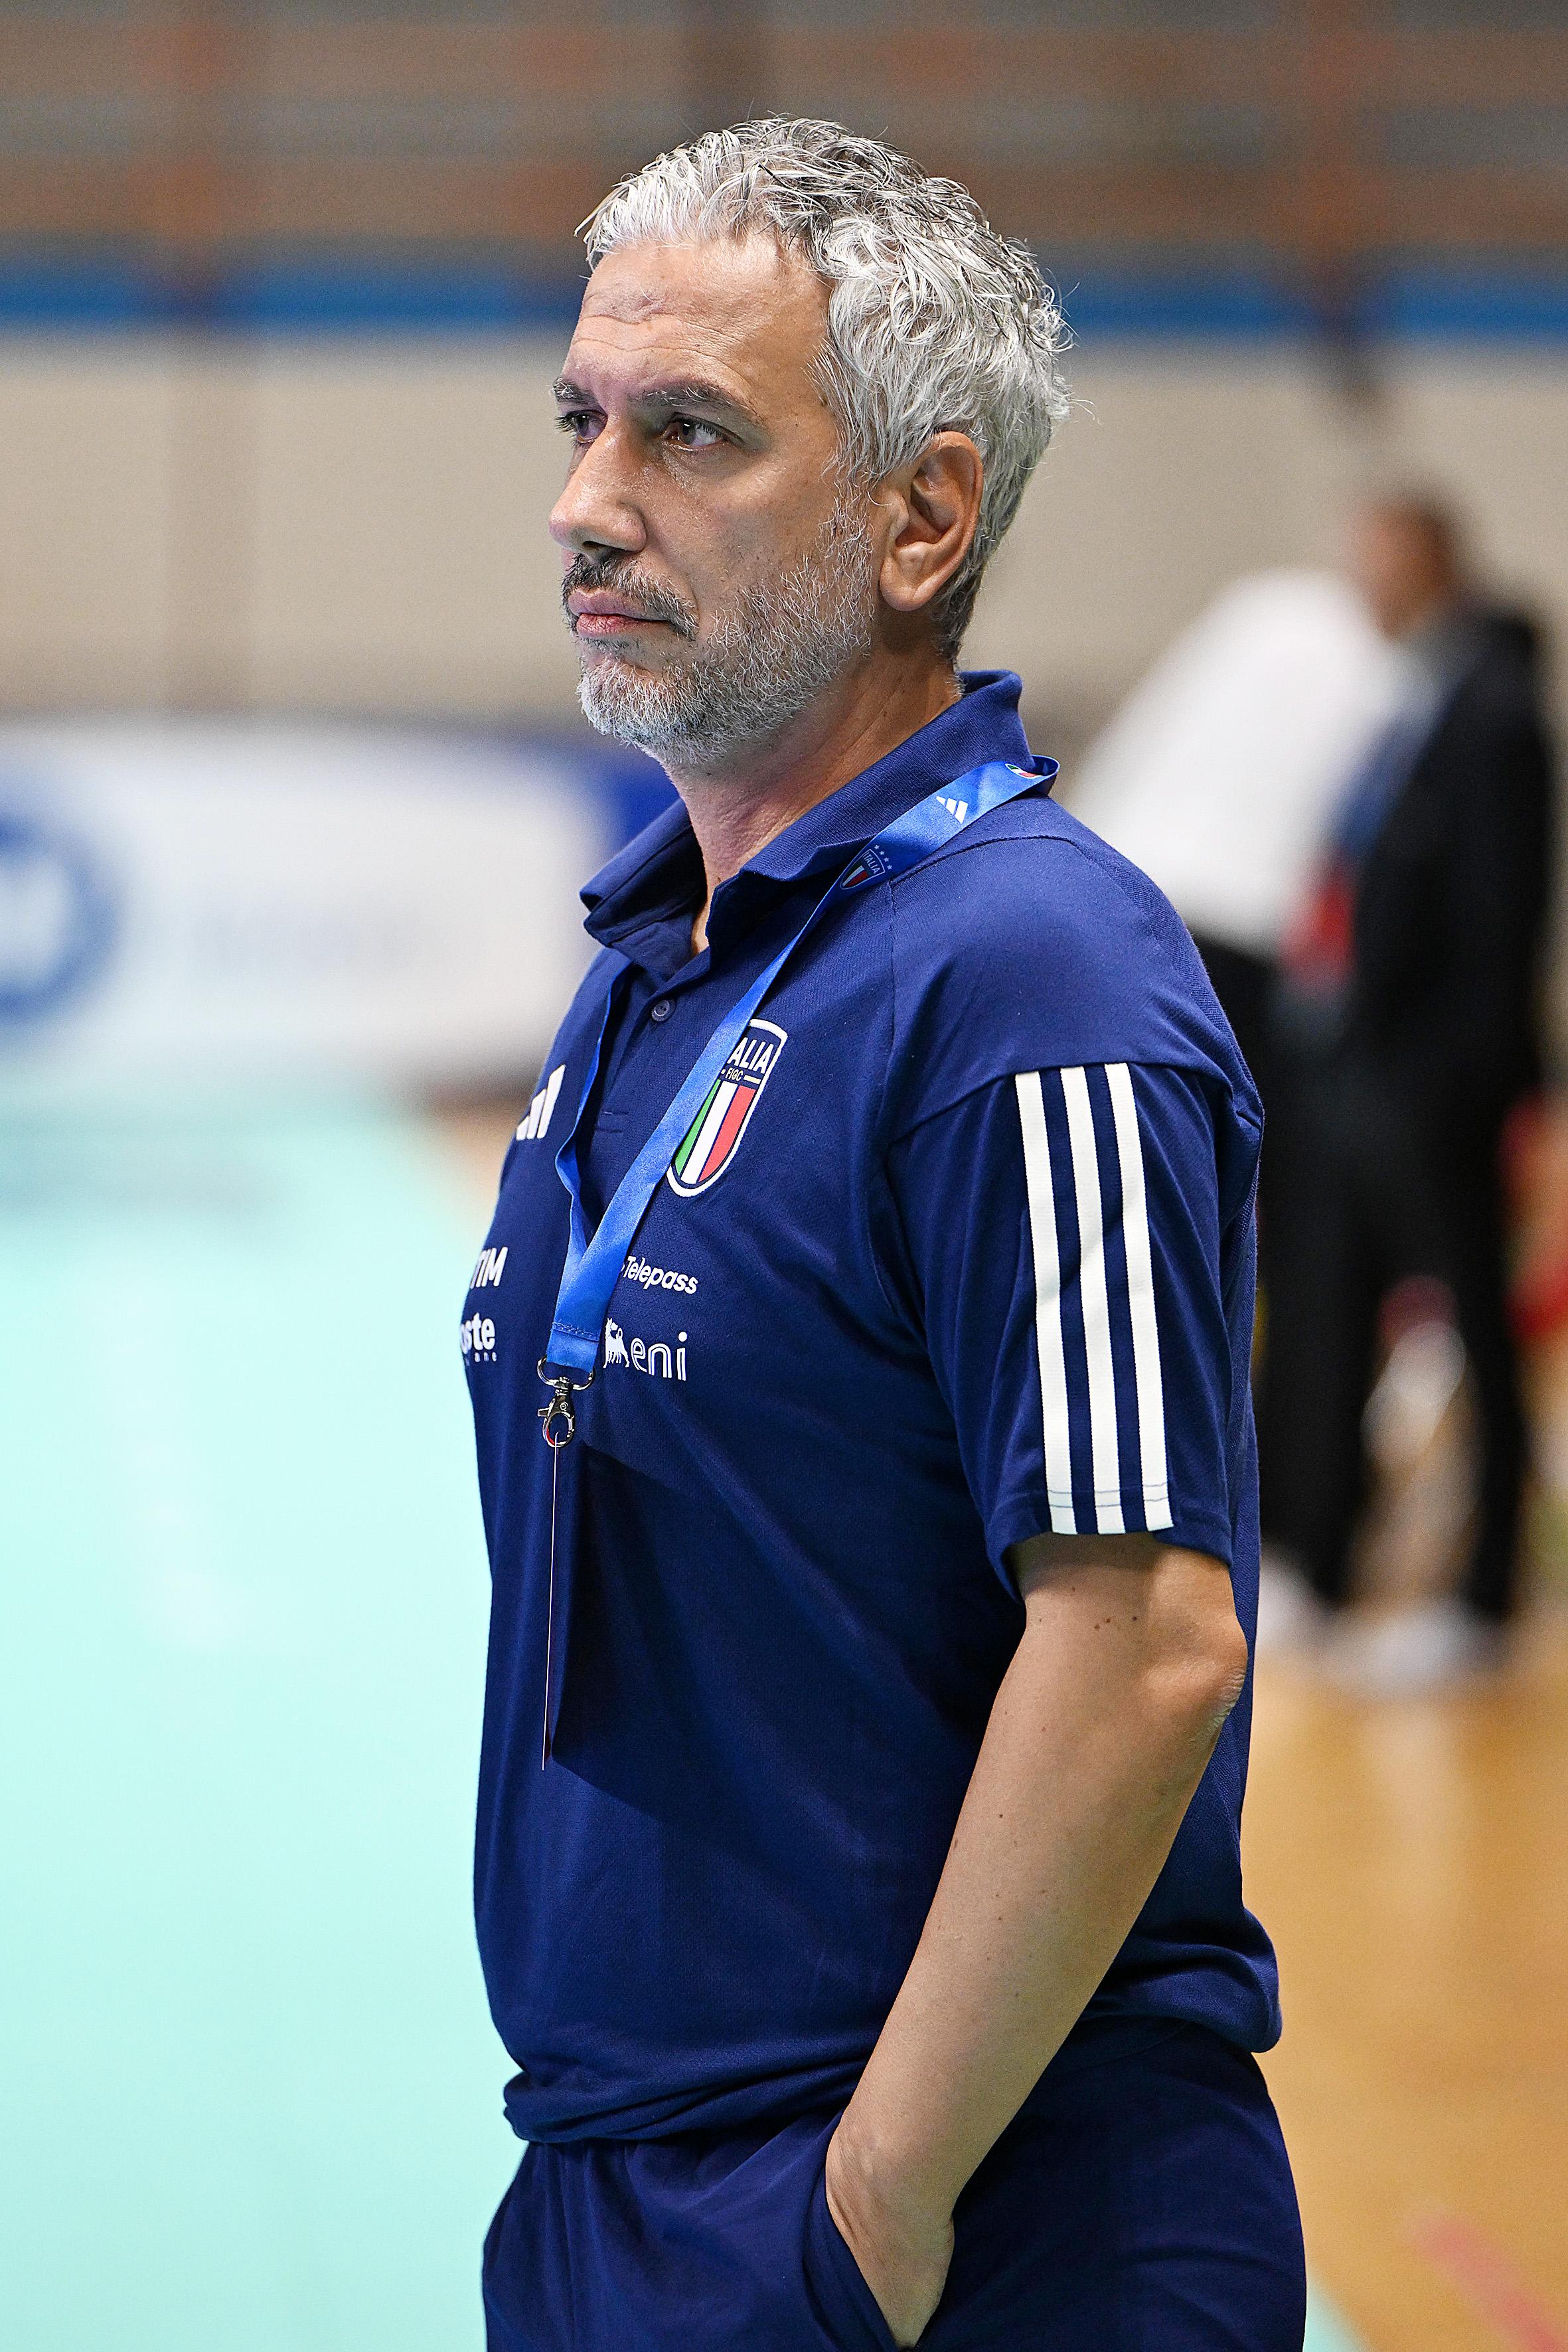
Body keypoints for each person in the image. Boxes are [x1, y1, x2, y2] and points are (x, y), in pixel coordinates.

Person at [462, 119, 1302, 2349]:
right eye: (581, 421)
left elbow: (1143, 1635)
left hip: (974, 2219)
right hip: (632, 2182)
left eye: (689, 434)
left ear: (920, 517)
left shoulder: (1032, 978)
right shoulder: (664, 964)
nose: (583, 501)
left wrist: (878, 2201)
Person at [1257, 497, 1556, 1691]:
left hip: (1436, 1086)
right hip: (1359, 1072)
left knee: (1477, 1327)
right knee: (1328, 1311)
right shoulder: (1405, 701)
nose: (1354, 578)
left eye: (1370, 552)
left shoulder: (1490, 715)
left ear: (1426, 555)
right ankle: (1317, 1563)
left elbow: (1497, 921)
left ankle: (1485, 1594)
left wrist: (1461, 1083)